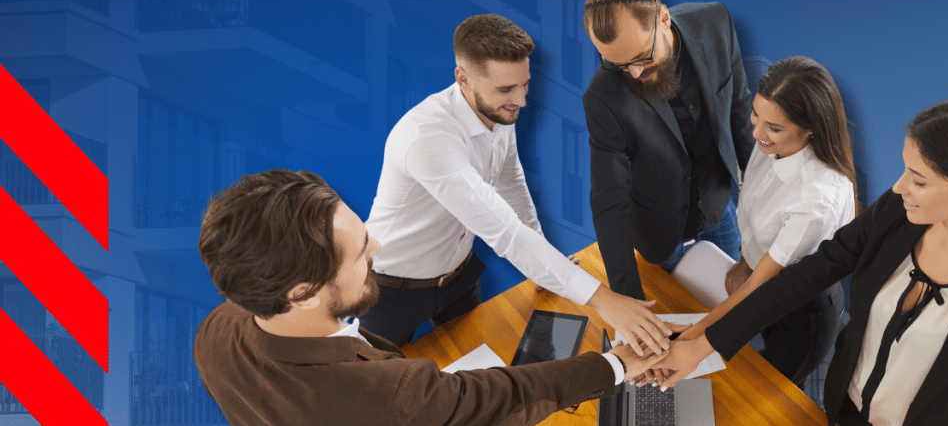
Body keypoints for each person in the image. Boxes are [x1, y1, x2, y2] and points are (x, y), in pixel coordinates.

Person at [652, 97, 948, 426]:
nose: (898, 187)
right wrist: (700, 346)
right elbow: (801, 280)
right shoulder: (896, 212)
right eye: (905, 169)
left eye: (919, 180)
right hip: (845, 409)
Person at [194, 169, 668, 426]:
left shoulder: (215, 332)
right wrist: (618, 365)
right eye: (361, 253)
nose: (377, 249)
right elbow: (502, 394)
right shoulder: (389, 396)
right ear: (301, 293)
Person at [360, 14, 672, 354]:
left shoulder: (497, 111)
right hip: (391, 289)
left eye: (524, 84)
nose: (521, 100)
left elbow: (510, 185)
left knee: (475, 365)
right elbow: (503, 230)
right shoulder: (429, 139)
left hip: (459, 277)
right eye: (506, 89)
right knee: (376, 383)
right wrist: (603, 299)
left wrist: (543, 266)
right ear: (463, 79)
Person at [639, 56, 855, 388]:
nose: (757, 133)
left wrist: (688, 340)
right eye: (757, 115)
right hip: (759, 277)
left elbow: (758, 292)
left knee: (763, 390)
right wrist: (744, 262)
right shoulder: (771, 145)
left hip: (801, 316)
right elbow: (756, 227)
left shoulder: (816, 200)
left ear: (811, 128)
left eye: (774, 127)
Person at [583, 0, 756, 300]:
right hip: (658, 234)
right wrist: (627, 301)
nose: (633, 74)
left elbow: (740, 114)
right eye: (617, 64)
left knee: (732, 307)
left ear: (664, 18)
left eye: (642, 59)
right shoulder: (603, 96)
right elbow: (609, 201)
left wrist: (762, 214)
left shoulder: (716, 23)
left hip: (718, 211)